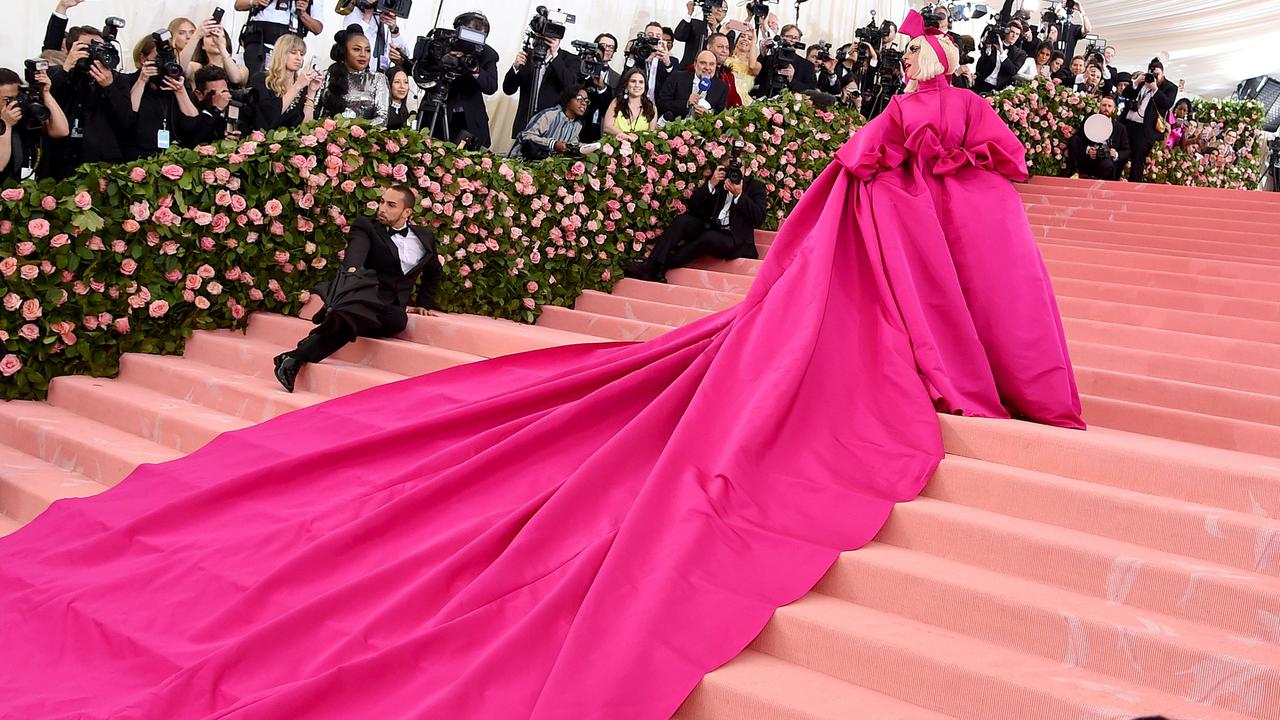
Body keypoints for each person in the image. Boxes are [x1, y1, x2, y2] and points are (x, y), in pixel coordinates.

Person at [0, 10, 1086, 720]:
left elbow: (943, 245)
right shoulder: (914, 142)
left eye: (910, 62)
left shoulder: (917, 140)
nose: (902, 74)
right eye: (902, 63)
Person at [273, 185, 440, 393]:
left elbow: (433, 272)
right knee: (358, 313)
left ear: (407, 212)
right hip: (363, 296)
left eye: (391, 205)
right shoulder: (366, 227)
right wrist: (350, 277)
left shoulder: (424, 237)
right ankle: (294, 360)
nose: (382, 208)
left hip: (391, 310)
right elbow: (355, 258)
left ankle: (327, 327)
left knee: (396, 321)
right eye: (381, 202)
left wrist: (424, 303)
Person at [623, 154, 767, 282]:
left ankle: (656, 265)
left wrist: (739, 195)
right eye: (729, 169)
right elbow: (694, 206)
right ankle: (655, 268)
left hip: (733, 238)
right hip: (709, 226)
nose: (734, 172)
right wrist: (711, 184)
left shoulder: (755, 187)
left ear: (745, 169)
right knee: (683, 220)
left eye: (737, 168)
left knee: (710, 237)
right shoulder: (718, 181)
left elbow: (759, 218)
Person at [39, 27, 132, 179]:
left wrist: (109, 87)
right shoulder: (58, 74)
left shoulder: (118, 80)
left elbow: (125, 121)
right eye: (86, 47)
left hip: (101, 164)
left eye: (98, 48)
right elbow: (48, 96)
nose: (93, 53)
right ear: (70, 49)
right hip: (61, 162)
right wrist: (67, 67)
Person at [423, 12, 500, 149]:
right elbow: (422, 69)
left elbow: (491, 87)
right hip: (439, 112)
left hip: (470, 120)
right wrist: (443, 61)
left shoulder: (487, 54)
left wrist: (475, 68)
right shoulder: (443, 44)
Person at [122, 35, 201, 160]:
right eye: (159, 59)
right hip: (136, 160)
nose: (164, 64)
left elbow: (193, 125)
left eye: (170, 59)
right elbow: (126, 118)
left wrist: (180, 92)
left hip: (171, 159)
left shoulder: (177, 85)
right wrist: (142, 81)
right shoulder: (128, 82)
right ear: (143, 58)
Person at [501, 33, 580, 139]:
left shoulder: (569, 59)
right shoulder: (528, 55)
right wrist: (515, 67)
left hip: (552, 129)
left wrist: (555, 56)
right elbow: (508, 89)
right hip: (524, 123)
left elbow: (570, 85)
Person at [0, 65, 70, 183]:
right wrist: (6, 124)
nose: (14, 103)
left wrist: (46, 93)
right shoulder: (7, 122)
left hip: (38, 189)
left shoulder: (26, 115)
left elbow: (61, 131)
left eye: (18, 97)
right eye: (8, 99)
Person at [248, 33, 322, 131]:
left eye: (302, 54)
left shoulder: (301, 86)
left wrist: (311, 92)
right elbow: (269, 119)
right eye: (293, 52)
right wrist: (297, 86)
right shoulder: (262, 80)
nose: (299, 58)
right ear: (281, 53)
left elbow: (307, 128)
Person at [320, 25, 390, 127]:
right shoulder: (327, 75)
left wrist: (355, 130)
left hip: (366, 139)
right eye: (357, 49)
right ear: (344, 51)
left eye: (368, 50)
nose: (363, 54)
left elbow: (382, 119)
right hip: (329, 138)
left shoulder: (378, 78)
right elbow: (315, 113)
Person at [234, 0, 325, 76]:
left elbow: (317, 28)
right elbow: (238, 5)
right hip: (258, 44)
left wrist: (303, 13)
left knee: (282, 87)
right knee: (256, 83)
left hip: (289, 49)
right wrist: (254, 2)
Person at [1122, 58, 1178, 182]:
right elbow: (1126, 94)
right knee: (1121, 154)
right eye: (1152, 74)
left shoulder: (1170, 87)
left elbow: (1167, 103)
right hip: (1128, 123)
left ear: (1163, 73)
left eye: (1157, 74)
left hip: (1145, 129)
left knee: (1137, 159)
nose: (1154, 77)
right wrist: (1136, 82)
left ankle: (1132, 188)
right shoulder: (1143, 82)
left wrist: (1155, 89)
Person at [513, 84, 588, 159]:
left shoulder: (578, 125)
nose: (584, 103)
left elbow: (570, 146)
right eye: (579, 98)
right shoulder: (550, 115)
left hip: (550, 166)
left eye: (586, 101)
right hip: (524, 162)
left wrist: (579, 147)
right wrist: (553, 144)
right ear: (568, 100)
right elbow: (524, 136)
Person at [1066, 94, 1128, 180]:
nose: (1106, 108)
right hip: (1086, 158)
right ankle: (1074, 173)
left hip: (1105, 160)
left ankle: (1098, 179)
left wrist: (1116, 154)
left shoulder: (1120, 128)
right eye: (1104, 105)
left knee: (1108, 164)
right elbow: (1079, 139)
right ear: (1099, 107)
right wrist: (1088, 149)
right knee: (1073, 139)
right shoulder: (1089, 121)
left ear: (1114, 109)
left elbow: (1126, 150)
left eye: (1109, 106)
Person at [656, 50, 729, 121]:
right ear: (695, 64)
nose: (707, 67)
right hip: (674, 126)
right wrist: (686, 103)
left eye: (711, 64)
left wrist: (708, 114)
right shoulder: (677, 77)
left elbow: (720, 113)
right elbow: (662, 103)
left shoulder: (721, 87)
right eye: (703, 63)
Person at [754, 24, 817, 98]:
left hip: (791, 105)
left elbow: (810, 90)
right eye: (788, 36)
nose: (792, 40)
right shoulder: (769, 59)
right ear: (781, 38)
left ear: (799, 41)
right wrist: (763, 54)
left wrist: (792, 80)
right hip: (765, 101)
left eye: (795, 38)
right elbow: (755, 79)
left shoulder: (807, 65)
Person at [580, 33, 622, 143]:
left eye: (611, 47)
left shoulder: (618, 78)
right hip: (580, 123)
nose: (606, 49)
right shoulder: (582, 69)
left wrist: (602, 88)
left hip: (602, 126)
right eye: (602, 45)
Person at [188, 17, 250, 86]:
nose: (215, 39)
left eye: (220, 36)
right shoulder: (197, 67)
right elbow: (182, 68)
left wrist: (221, 46)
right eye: (209, 36)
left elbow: (236, 79)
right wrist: (196, 35)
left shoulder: (241, 68)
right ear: (202, 45)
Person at [621, 22, 674, 103]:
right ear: (644, 37)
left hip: (658, 106)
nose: (654, 38)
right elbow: (624, 79)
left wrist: (667, 63)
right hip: (635, 103)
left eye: (658, 36)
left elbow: (673, 85)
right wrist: (631, 55)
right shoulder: (638, 57)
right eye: (650, 35)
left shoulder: (671, 61)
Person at [349, 4, 410, 72]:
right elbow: (351, 44)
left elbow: (406, 56)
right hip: (359, 75)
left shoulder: (392, 14)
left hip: (384, 76)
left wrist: (394, 30)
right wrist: (367, 18)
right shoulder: (355, 12)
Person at [602, 68, 656, 142]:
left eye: (641, 82)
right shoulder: (616, 102)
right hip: (614, 148)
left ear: (645, 86)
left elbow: (651, 135)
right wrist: (626, 136)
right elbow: (607, 127)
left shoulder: (651, 108)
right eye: (633, 81)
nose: (637, 85)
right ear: (626, 85)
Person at [973, 21, 1026, 93]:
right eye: (1012, 32)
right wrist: (987, 47)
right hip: (982, 83)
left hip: (999, 89)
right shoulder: (993, 44)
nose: (1014, 36)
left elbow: (1013, 70)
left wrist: (1001, 51)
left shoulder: (1020, 53)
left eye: (1017, 34)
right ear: (1006, 31)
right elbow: (982, 64)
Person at [674, 0, 727, 68]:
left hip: (710, 71)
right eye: (717, 6)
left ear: (725, 15)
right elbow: (678, 36)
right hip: (687, 70)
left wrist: (714, 29)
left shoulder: (727, 31)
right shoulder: (694, 24)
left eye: (724, 9)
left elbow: (722, 55)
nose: (719, 10)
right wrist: (689, 13)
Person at [724, 29, 761, 105]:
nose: (745, 39)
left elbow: (752, 66)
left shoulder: (757, 65)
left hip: (742, 103)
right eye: (742, 36)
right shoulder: (726, 59)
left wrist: (754, 40)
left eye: (750, 38)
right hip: (724, 97)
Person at [386, 66, 411, 130]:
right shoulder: (381, 111)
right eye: (397, 82)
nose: (402, 86)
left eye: (406, 82)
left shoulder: (405, 112)